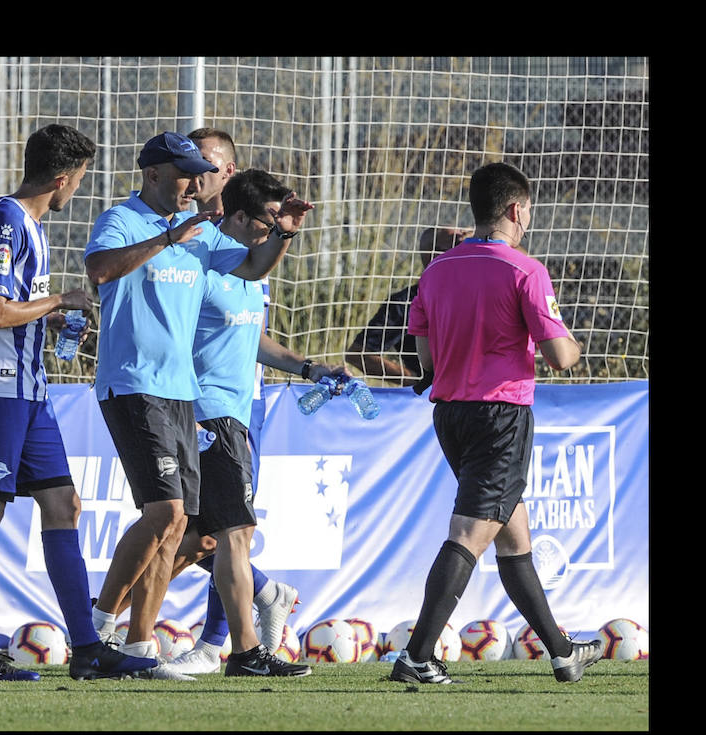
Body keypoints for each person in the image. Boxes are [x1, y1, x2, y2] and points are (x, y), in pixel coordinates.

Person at [84, 131, 313, 678]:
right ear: (154, 174)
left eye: (199, 172)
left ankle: (140, 649)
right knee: (164, 513)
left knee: (179, 521)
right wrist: (169, 238)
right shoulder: (124, 220)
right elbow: (99, 272)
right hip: (133, 383)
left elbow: (254, 269)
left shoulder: (203, 237)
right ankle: (94, 626)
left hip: (181, 392)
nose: (196, 183)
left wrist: (282, 231)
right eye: (186, 173)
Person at [0, 123, 157, 682]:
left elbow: (17, 309)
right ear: (63, 177)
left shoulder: (33, 229)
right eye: (80, 180)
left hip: (29, 389)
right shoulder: (6, 219)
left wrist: (54, 314)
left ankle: (88, 650)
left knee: (64, 505)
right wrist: (58, 299)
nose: (77, 191)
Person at [391, 161, 603, 685]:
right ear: (514, 209)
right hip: (500, 415)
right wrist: (573, 344)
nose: (529, 219)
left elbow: (427, 357)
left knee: (513, 535)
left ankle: (560, 652)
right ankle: (416, 657)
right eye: (528, 209)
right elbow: (559, 356)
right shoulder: (525, 270)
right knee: (469, 531)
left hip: (451, 414)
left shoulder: (437, 270)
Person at [167, 168, 348, 676]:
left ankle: (116, 627)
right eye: (267, 219)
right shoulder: (202, 263)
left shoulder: (251, 274)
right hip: (206, 415)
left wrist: (309, 368)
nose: (272, 228)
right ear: (239, 216)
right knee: (234, 532)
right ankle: (245, 651)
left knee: (193, 539)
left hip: (238, 416)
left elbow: (256, 343)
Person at [345, 227, 470, 394]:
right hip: (432, 404)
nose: (465, 252)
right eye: (456, 246)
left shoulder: (475, 294)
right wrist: (415, 380)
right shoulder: (405, 302)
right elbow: (357, 355)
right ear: (432, 255)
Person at [186, 127, 237, 213]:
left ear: (228, 170)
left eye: (203, 160)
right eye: (187, 160)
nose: (193, 168)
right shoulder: (179, 222)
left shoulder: (244, 224)